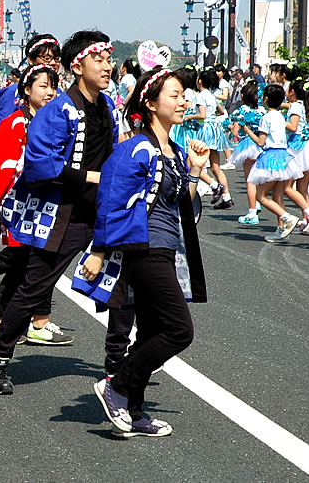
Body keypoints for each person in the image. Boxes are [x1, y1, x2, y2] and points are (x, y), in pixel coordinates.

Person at [0, 30, 118, 395]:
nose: (107, 66)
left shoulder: (108, 107)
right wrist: (93, 176)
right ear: (78, 65)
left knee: (124, 283)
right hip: (61, 212)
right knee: (34, 286)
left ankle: (118, 366)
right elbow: (39, 166)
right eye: (98, 59)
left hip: (101, 209)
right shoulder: (58, 111)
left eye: (108, 59)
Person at [75, 68, 208, 438]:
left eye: (184, 95)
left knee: (150, 332)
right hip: (144, 250)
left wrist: (194, 172)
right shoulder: (135, 149)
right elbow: (111, 201)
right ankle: (116, 385)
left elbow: (182, 207)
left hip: (167, 249)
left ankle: (133, 411)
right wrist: (98, 252)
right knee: (179, 331)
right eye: (175, 95)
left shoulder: (176, 151)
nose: (184, 101)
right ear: (150, 104)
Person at [0, 65, 72, 345]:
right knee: (22, 259)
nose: (50, 92)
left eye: (53, 86)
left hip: (48, 201)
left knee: (32, 261)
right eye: (43, 86)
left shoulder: (58, 121)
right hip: (18, 200)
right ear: (27, 90)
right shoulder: (14, 122)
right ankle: (1, 318)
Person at [244, 85, 303, 242]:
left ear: (266, 99)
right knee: (278, 196)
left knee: (260, 195)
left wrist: (247, 130)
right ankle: (282, 230)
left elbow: (261, 142)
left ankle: (287, 218)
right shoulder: (280, 116)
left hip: (271, 156)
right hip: (285, 156)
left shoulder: (265, 118)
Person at [0, 34, 61, 145]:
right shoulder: (14, 92)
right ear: (30, 60)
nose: (53, 63)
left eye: (56, 59)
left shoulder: (59, 93)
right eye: (47, 58)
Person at [185, 68, 234, 209]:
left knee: (193, 162)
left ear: (200, 81)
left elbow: (202, 115)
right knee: (215, 166)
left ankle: (214, 185)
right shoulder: (212, 95)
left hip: (205, 129)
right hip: (215, 129)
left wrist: (189, 116)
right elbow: (220, 110)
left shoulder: (200, 96)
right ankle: (226, 196)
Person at [283, 77, 309, 234]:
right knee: (302, 189)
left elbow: (293, 126)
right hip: (306, 148)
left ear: (292, 92)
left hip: (297, 148)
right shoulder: (306, 105)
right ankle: (308, 221)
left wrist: (278, 120)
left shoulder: (295, 107)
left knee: (287, 187)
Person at [228, 80, 266, 224]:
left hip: (248, 144)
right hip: (261, 144)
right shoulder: (262, 110)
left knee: (250, 179)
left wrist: (232, 128)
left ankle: (252, 212)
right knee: (258, 177)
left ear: (243, 96)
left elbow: (236, 131)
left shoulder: (242, 110)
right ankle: (258, 202)